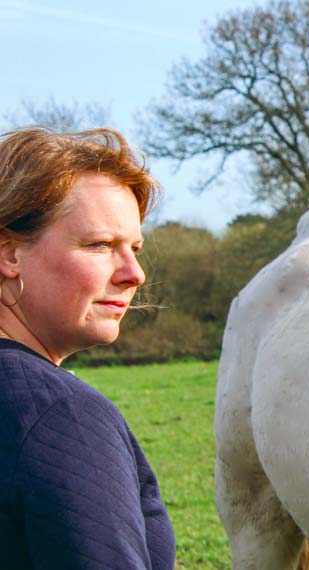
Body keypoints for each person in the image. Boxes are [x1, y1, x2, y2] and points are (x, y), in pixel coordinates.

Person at [0, 128, 175, 569]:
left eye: (134, 248)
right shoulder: (60, 415)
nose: (134, 273)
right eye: (99, 245)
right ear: (8, 253)